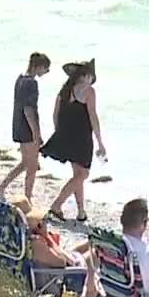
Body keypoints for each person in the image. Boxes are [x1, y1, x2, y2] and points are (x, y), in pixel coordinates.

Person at [42, 59, 106, 222]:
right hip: (81, 138)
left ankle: (81, 212)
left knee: (77, 174)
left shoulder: (65, 90)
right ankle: (57, 205)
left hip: (66, 135)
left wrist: (59, 133)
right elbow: (93, 116)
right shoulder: (89, 91)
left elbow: (55, 114)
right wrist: (100, 143)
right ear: (86, 76)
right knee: (83, 173)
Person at [0, 52, 53, 202]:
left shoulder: (20, 79)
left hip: (18, 125)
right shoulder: (31, 83)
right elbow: (29, 110)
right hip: (27, 128)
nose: (46, 72)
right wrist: (36, 134)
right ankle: (27, 198)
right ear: (37, 66)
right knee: (31, 166)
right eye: (45, 68)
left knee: (26, 163)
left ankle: (1, 188)